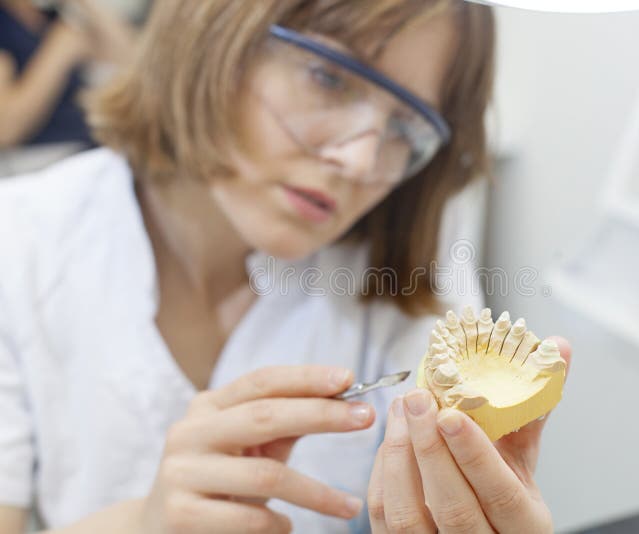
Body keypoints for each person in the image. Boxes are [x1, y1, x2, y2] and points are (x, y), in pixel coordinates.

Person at [0, 1, 570, 532]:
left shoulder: (408, 258)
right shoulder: (22, 241)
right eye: (328, 78)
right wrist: (140, 523)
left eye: (404, 127)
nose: (359, 160)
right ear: (216, 33)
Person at [0, 0, 136, 174]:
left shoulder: (51, 17)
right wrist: (58, 52)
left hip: (88, 149)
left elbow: (133, 63)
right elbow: (6, 130)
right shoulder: (5, 26)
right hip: (42, 161)